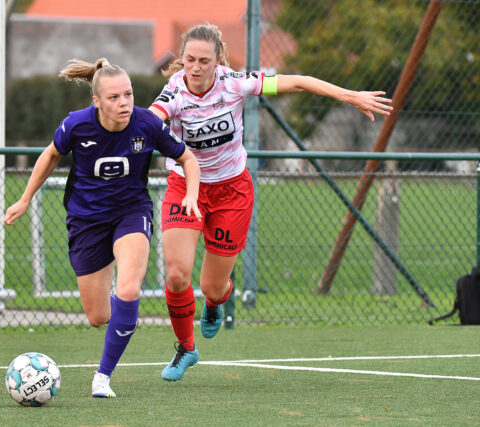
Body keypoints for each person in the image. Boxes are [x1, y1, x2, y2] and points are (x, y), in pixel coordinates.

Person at [149, 24, 393, 381]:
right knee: (176, 274)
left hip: (232, 190)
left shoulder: (234, 82)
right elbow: (147, 121)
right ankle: (186, 349)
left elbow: (297, 82)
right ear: (182, 59)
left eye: (204, 60)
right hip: (185, 187)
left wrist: (350, 96)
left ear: (218, 61)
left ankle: (216, 302)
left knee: (213, 287)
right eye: (189, 60)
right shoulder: (173, 94)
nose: (196, 68)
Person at [4, 58, 202, 397]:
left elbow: (187, 158)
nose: (124, 102)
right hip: (86, 220)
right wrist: (24, 199)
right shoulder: (76, 125)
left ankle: (102, 377)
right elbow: (51, 155)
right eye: (114, 97)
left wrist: (193, 196)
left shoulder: (147, 124)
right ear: (96, 101)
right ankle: (125, 318)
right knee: (98, 316)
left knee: (128, 289)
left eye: (128, 94)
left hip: (131, 212)